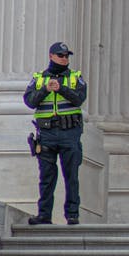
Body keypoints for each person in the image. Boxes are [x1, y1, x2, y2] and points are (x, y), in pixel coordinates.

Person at [23, 41, 87, 226]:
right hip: (47, 133)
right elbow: (29, 101)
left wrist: (62, 88)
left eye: (67, 56)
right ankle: (44, 215)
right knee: (46, 177)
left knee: (71, 176)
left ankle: (72, 214)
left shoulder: (75, 77)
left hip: (70, 133)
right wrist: (45, 89)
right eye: (61, 55)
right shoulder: (39, 78)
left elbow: (79, 98)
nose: (64, 59)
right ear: (51, 56)